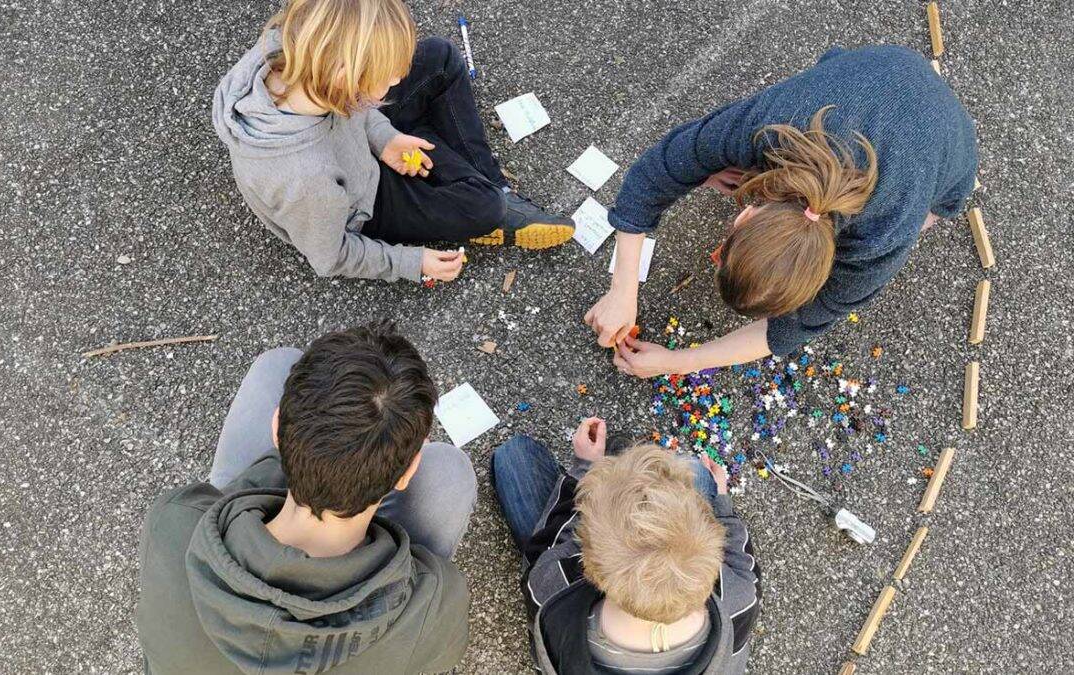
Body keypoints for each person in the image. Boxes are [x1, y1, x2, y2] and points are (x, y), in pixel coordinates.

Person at [585, 46, 978, 377]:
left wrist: (679, 362)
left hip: (944, 129)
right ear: (746, 217)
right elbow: (658, 172)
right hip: (880, 68)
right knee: (711, 154)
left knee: (930, 216)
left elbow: (796, 326)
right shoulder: (770, 126)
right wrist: (622, 291)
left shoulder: (885, 235)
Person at [136, 323, 477, 674]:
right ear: (407, 472)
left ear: (276, 427)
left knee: (276, 364)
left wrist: (314, 458)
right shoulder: (431, 605)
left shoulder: (173, 521)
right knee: (450, 472)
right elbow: (445, 648)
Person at [213, 0, 574, 285]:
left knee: (441, 57)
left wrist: (385, 138)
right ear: (345, 78)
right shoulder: (309, 181)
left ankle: (488, 183)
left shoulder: (299, 49)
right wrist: (411, 262)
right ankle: (492, 200)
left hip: (355, 143)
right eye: (387, 77)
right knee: (486, 209)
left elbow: (350, 108)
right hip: (363, 202)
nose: (398, 79)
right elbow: (331, 256)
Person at [491, 418, 761, 674]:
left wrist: (584, 467)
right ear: (714, 545)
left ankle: (611, 468)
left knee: (513, 455)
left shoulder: (553, 592)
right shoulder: (739, 601)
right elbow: (741, 561)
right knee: (697, 471)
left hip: (571, 611)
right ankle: (621, 474)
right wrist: (721, 503)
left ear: (586, 562)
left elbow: (543, 550)